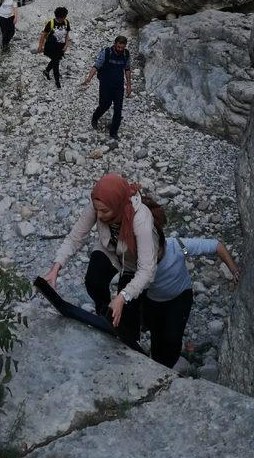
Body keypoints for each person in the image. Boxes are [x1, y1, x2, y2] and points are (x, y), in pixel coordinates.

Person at [43, 174, 162, 344]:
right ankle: (105, 314)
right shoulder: (99, 204)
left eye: (104, 211)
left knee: (128, 309)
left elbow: (146, 270)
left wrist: (123, 296)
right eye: (97, 209)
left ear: (118, 205)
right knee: (93, 281)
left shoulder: (141, 220)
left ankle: (129, 342)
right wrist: (56, 267)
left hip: (134, 263)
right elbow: (75, 237)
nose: (99, 215)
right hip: (111, 248)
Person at [144, 235, 240, 369]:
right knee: (157, 336)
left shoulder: (177, 246)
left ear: (163, 244)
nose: (154, 257)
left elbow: (217, 246)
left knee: (173, 338)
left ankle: (167, 368)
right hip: (153, 301)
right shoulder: (140, 257)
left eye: (157, 251)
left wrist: (234, 270)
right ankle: (157, 363)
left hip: (179, 299)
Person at [83, 35, 132, 141]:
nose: (120, 49)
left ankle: (113, 132)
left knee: (118, 109)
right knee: (105, 104)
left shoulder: (126, 54)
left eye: (122, 48)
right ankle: (95, 118)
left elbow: (127, 69)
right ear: (115, 44)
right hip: (105, 84)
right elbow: (96, 65)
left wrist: (129, 85)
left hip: (118, 85)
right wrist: (89, 78)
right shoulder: (106, 52)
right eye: (118, 47)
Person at [37, 6, 70, 88]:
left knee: (56, 60)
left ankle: (46, 71)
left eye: (63, 17)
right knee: (56, 62)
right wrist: (40, 46)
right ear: (57, 16)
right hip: (51, 46)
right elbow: (43, 35)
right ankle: (57, 80)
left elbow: (67, 35)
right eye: (61, 18)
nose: (62, 19)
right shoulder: (51, 23)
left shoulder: (66, 22)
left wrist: (66, 45)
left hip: (60, 46)